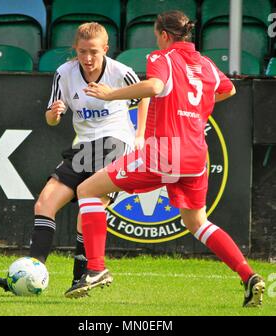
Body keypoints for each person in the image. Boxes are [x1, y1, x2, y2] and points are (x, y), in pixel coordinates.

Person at [70, 11, 265, 307]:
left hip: (166, 151)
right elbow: (229, 89)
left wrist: (111, 95)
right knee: (197, 221)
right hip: (197, 154)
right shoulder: (207, 64)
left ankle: (95, 268)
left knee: (86, 190)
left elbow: (155, 87)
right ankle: (248, 275)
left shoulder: (161, 58)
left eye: (156, 34)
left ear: (163, 34)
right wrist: (194, 105)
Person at [0, 22, 149, 297]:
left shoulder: (119, 72)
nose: (87, 59)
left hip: (115, 143)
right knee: (44, 204)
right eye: (81, 52)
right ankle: (31, 274)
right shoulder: (63, 74)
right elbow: (51, 120)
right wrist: (54, 113)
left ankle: (82, 278)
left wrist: (140, 135)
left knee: (87, 211)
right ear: (74, 50)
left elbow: (146, 93)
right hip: (84, 147)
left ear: (105, 49)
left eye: (93, 52)